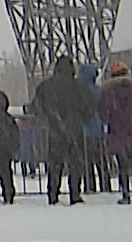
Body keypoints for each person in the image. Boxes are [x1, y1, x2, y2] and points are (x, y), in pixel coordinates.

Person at [34, 55, 94, 205]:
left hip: (55, 131)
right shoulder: (79, 86)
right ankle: (75, 193)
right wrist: (81, 120)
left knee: (55, 164)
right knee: (75, 164)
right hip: (75, 130)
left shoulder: (47, 86)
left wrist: (48, 119)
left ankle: (53, 193)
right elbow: (89, 107)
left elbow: (36, 106)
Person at [98, 62, 132, 204]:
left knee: (122, 166)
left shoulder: (108, 93)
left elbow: (103, 114)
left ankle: (126, 194)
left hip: (117, 133)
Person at [77, 63, 111, 193]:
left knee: (87, 162)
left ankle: (90, 186)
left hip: (85, 129)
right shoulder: (98, 90)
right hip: (99, 130)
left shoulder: (81, 91)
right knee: (101, 161)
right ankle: (105, 185)